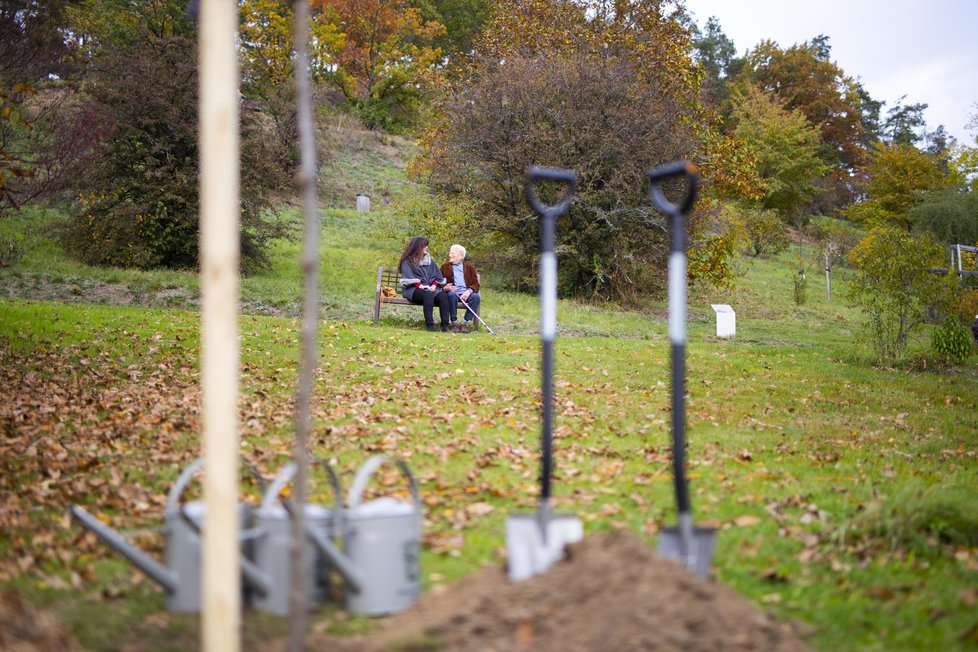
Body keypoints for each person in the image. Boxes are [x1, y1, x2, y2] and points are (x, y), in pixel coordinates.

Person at [398, 236, 452, 332]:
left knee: (443, 296)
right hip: (412, 290)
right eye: (425, 245)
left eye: (427, 245)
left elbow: (436, 276)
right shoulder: (407, 262)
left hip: (429, 289)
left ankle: (445, 326)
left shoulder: (429, 261)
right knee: (427, 294)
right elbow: (409, 279)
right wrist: (423, 286)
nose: (427, 247)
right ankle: (430, 325)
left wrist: (434, 285)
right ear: (418, 246)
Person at [440, 244, 481, 333]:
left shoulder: (469, 268)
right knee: (451, 295)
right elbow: (440, 282)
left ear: (461, 256)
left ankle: (464, 323)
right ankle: (454, 324)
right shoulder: (444, 267)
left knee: (476, 297)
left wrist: (468, 291)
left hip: (465, 293)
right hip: (453, 293)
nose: (450, 255)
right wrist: (445, 287)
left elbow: (476, 284)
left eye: (453, 253)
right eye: (450, 253)